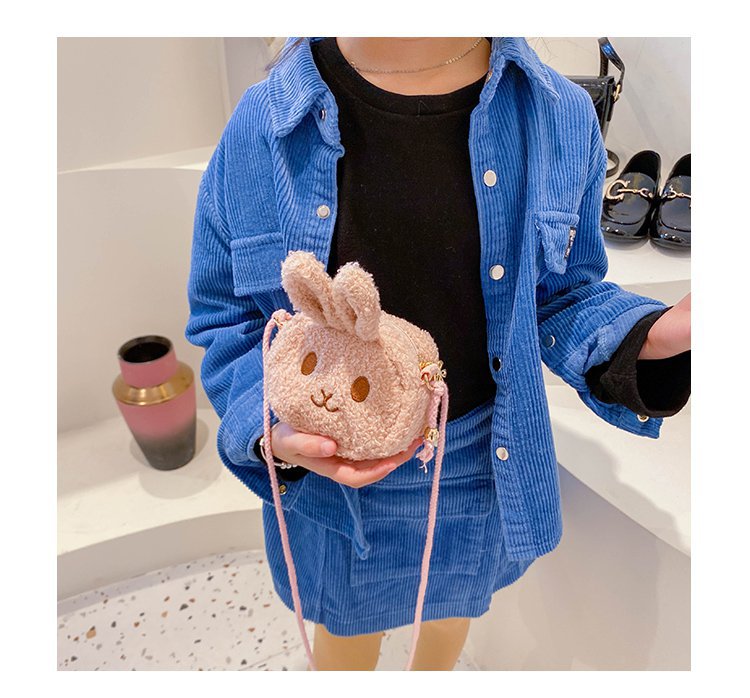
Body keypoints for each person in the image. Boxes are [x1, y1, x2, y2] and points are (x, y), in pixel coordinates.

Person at [185, 37, 691, 671]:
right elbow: (227, 319)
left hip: (478, 465)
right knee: (344, 636)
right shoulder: (264, 125)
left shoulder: (559, 116)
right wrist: (271, 429)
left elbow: (561, 293)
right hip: (329, 478)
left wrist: (650, 335)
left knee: (450, 618)